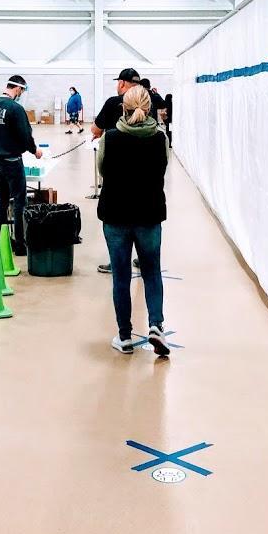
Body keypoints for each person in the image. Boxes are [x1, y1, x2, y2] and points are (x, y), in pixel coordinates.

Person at [97, 85, 170, 358]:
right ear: (149, 108)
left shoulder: (110, 137)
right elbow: (162, 169)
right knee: (151, 272)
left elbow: (102, 170)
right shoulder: (159, 138)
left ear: (123, 108)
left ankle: (125, 336)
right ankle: (156, 325)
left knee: (121, 276)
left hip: (116, 214)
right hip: (149, 214)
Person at [0, 75, 43, 256]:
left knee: (1, 198)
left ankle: (3, 241)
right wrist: (34, 150)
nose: (21, 94)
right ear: (17, 89)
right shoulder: (15, 108)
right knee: (19, 201)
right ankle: (20, 245)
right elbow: (25, 135)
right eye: (21, 91)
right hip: (12, 161)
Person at [91, 67, 141, 273]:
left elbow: (95, 129)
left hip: (117, 171)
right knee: (143, 215)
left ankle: (117, 262)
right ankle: (142, 257)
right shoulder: (148, 102)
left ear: (121, 83)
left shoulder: (113, 103)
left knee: (118, 218)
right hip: (144, 173)